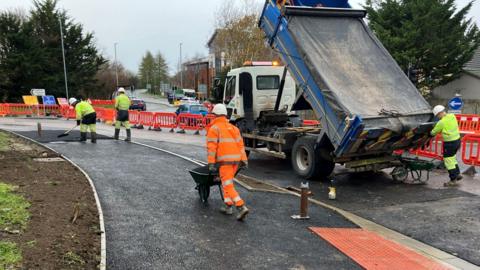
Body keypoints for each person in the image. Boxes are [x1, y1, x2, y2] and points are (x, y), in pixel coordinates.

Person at [206, 104, 250, 221]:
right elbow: (241, 145)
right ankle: (228, 205)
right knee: (227, 183)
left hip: (225, 161)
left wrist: (211, 163)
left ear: (214, 115)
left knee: (227, 184)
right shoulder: (234, 128)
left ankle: (241, 207)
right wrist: (244, 160)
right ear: (225, 115)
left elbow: (211, 148)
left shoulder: (214, 128)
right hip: (236, 160)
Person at [431, 105, 462, 187]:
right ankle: (458, 174)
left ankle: (453, 180)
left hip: (449, 143)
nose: (438, 117)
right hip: (457, 140)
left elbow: (433, 132)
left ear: (440, 113)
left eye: (437, 115)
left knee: (448, 161)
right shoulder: (452, 116)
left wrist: (431, 131)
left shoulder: (441, 122)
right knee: (452, 158)